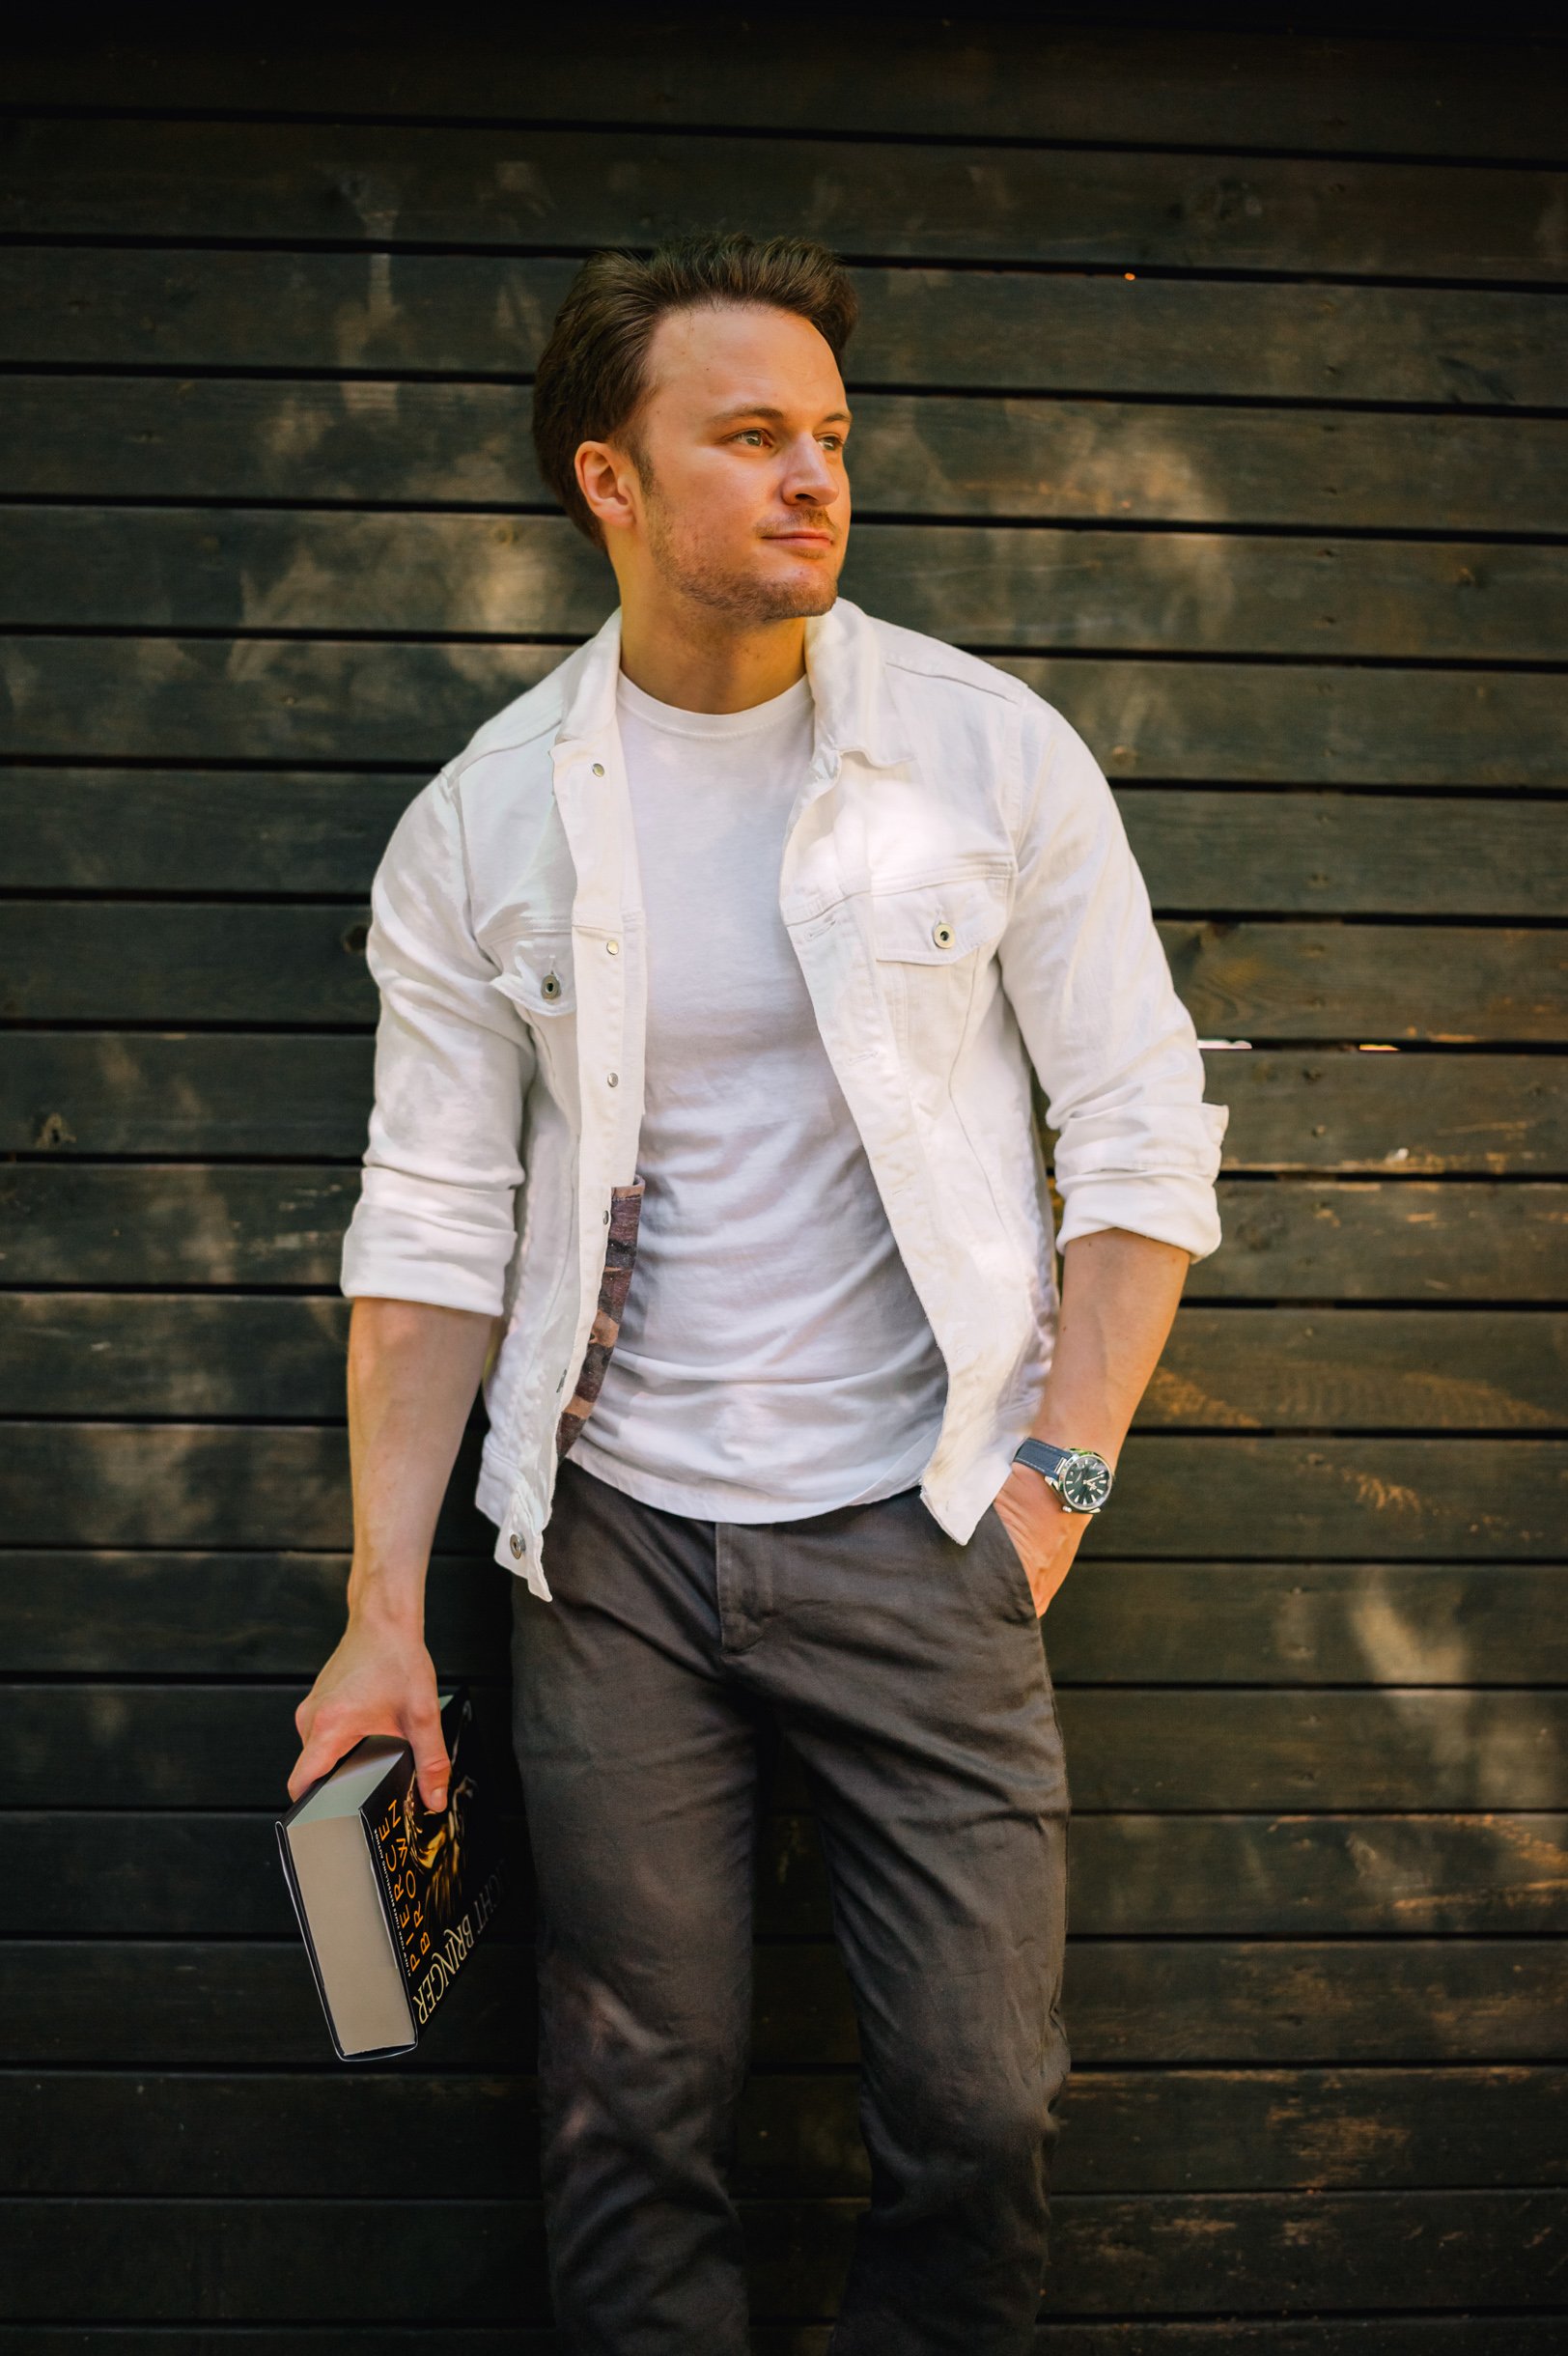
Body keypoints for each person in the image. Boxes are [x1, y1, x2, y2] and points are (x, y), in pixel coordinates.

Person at [289, 231, 1229, 2354]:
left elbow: (1140, 1136)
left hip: (928, 1527)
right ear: (606, 480)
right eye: (748, 437)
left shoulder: (986, 761)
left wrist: (1054, 1478)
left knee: (980, 2107)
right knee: (632, 2114)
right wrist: (378, 1610)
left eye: (826, 435)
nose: (813, 476)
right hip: (607, 1547)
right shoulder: (482, 824)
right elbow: (430, 1220)